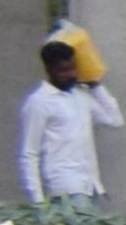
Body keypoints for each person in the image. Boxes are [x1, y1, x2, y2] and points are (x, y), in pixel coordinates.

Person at [9, 24, 120, 205]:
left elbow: (114, 119)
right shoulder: (39, 102)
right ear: (49, 70)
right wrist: (37, 199)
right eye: (63, 70)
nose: (71, 74)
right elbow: (29, 153)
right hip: (65, 187)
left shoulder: (81, 94)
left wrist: (95, 84)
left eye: (73, 68)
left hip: (90, 183)